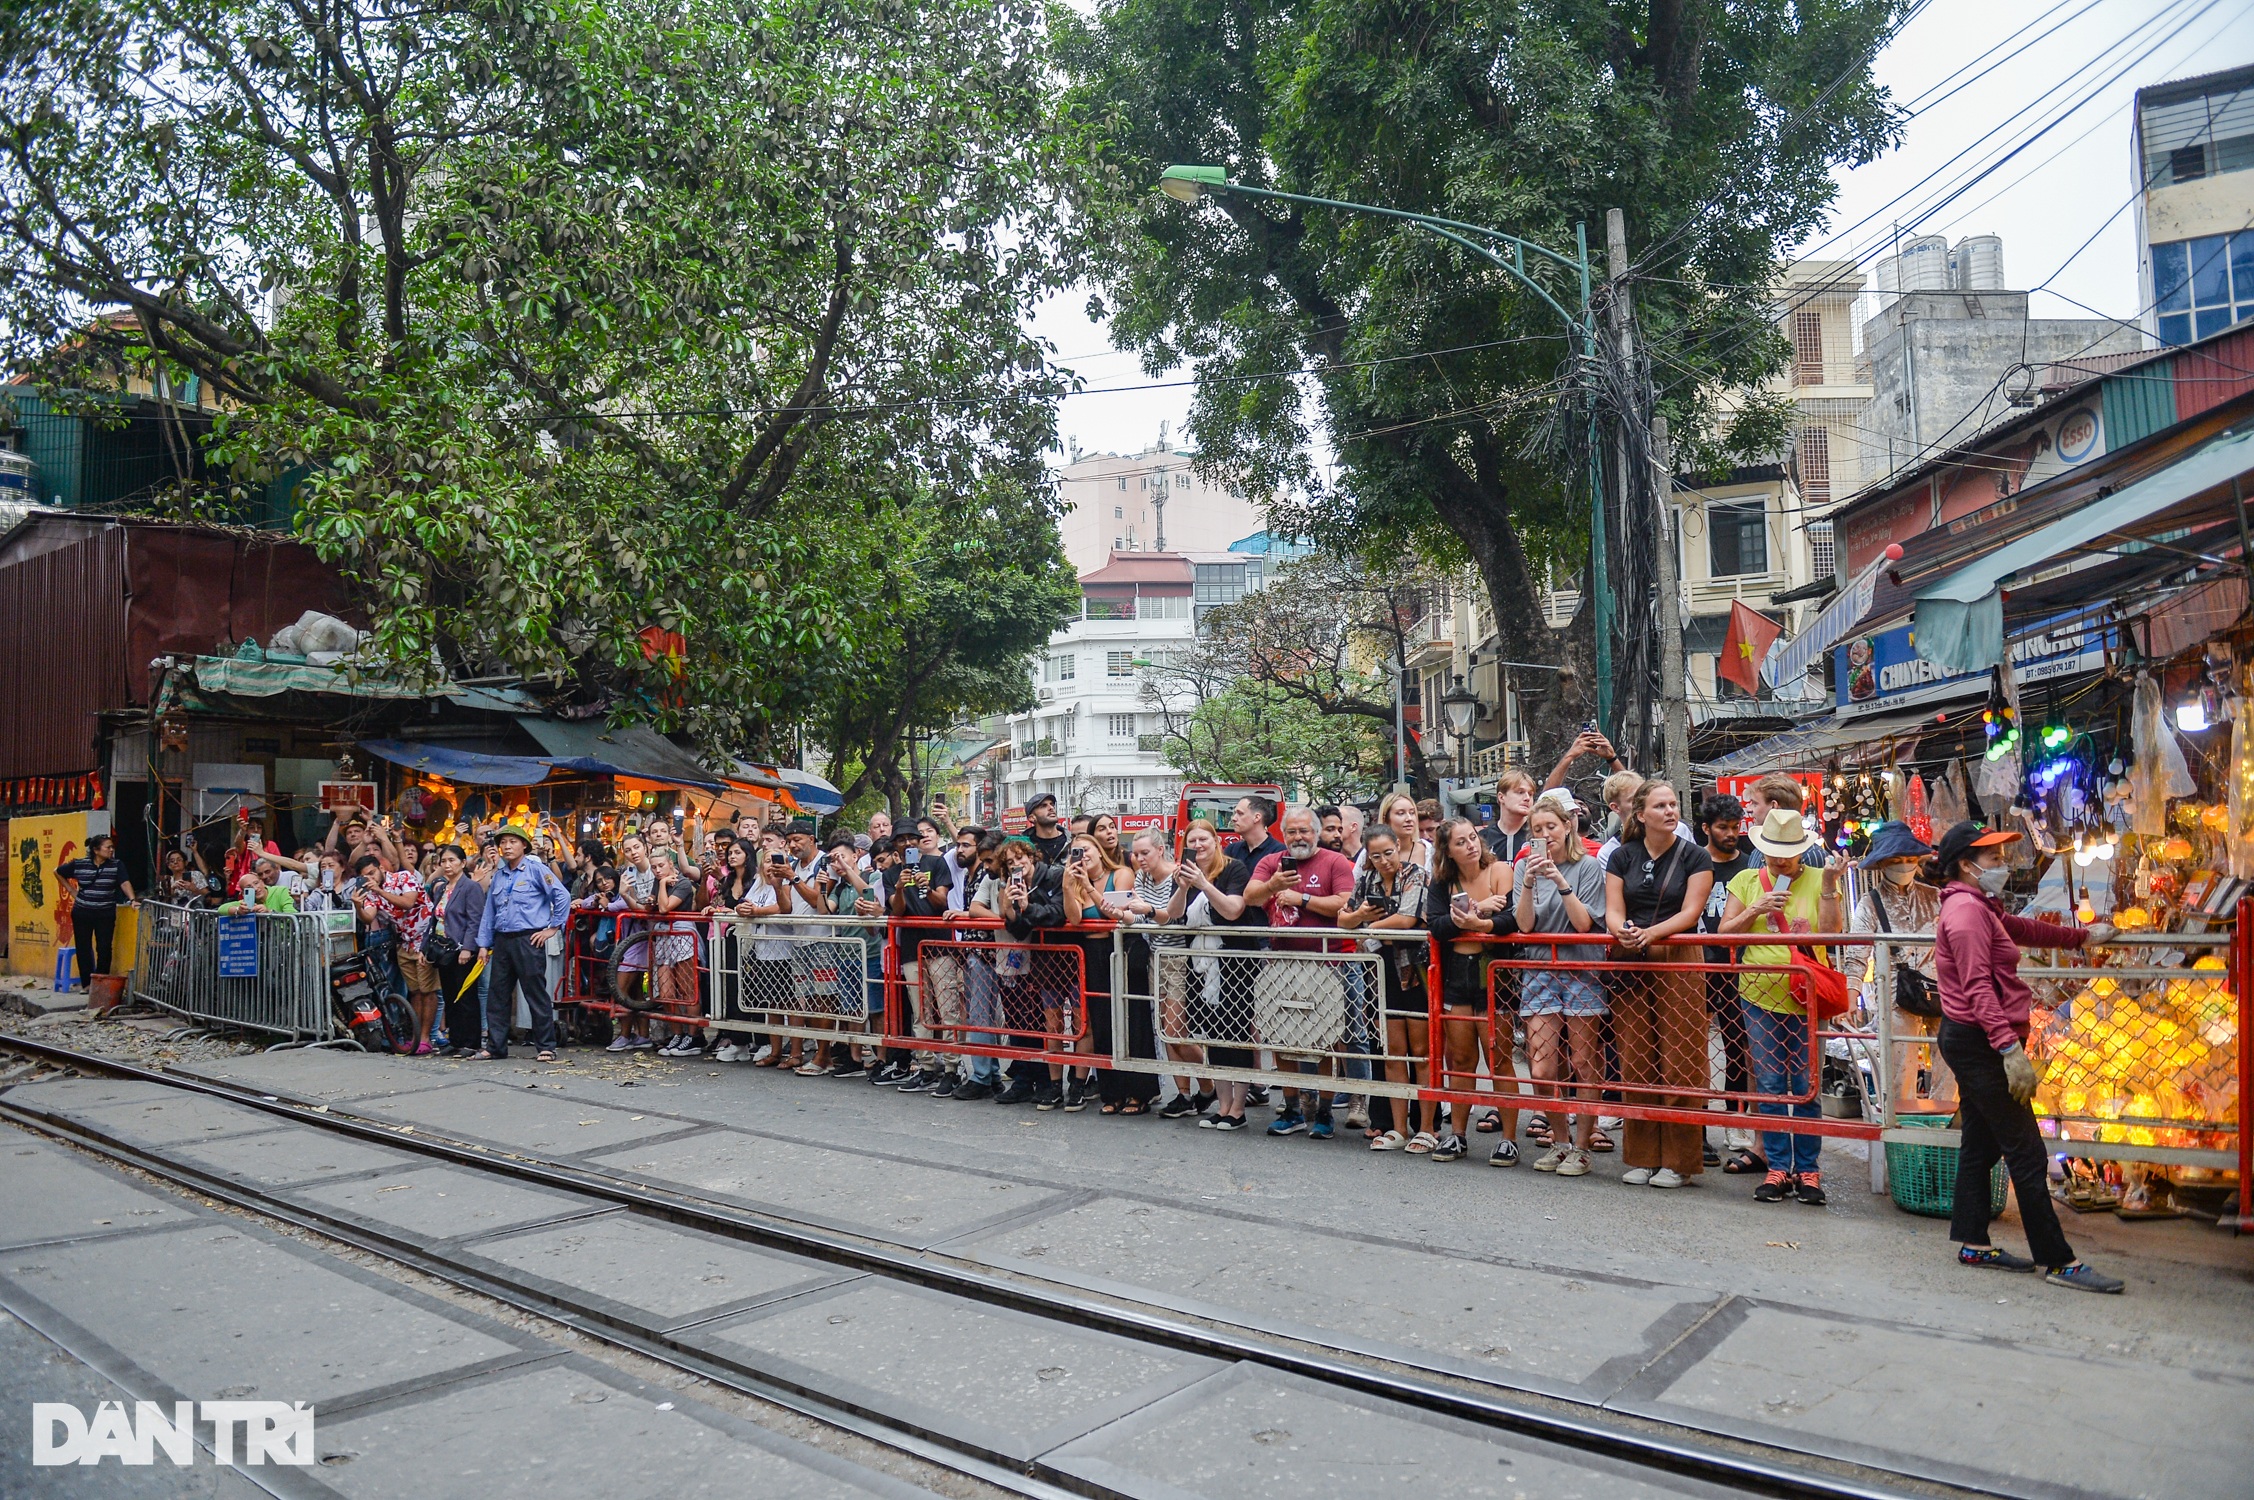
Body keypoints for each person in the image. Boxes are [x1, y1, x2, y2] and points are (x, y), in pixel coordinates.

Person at [1925, 821, 2122, 1293]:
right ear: (1966, 866)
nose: (2001, 865)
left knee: (1982, 1143)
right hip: (1981, 1042)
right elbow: (1977, 989)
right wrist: (2009, 1050)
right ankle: (2057, 1260)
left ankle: (1973, 1241)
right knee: (2027, 1151)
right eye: (1992, 859)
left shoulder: (1977, 906)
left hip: (1974, 1039)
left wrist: (2081, 939)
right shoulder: (1967, 915)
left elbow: (2022, 928)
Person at [1717, 808, 1842, 1204]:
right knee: (1770, 1085)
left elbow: (1830, 935)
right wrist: (1756, 908)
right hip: (1758, 993)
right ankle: (1776, 1166)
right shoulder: (1746, 880)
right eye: (1773, 852)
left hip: (1806, 996)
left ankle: (1808, 1170)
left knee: (1807, 1087)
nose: (1781, 860)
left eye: (1788, 852)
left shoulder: (1817, 879)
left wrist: (1828, 887)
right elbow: (1724, 934)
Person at [1603, 780, 1714, 1188]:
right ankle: (1643, 1155)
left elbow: (1691, 913)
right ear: (1641, 814)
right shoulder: (1621, 856)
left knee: (1681, 1057)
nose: (1670, 811)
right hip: (1632, 955)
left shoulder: (1695, 855)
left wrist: (1652, 934)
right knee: (1635, 1057)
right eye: (1661, 805)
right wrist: (1623, 932)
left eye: (1673, 804)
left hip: (1679, 956)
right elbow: (1613, 908)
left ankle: (1681, 1160)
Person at [1244, 805, 1356, 1138]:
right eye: (1291, 832)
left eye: (1304, 831)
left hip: (1327, 963)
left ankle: (1324, 1111)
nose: (1298, 837)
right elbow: (1250, 897)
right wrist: (1273, 885)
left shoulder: (1334, 862)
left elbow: (1345, 903)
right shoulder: (1272, 862)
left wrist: (1302, 898)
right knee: (1281, 1036)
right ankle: (1292, 1109)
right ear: (1282, 834)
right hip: (1282, 963)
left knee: (1328, 1039)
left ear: (1317, 832)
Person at [1512, 792, 1607, 1175]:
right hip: (1539, 970)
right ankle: (1560, 1140)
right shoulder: (1524, 869)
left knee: (1584, 1061)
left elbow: (1584, 924)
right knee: (1541, 1067)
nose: (1545, 834)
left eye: (1551, 826)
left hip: (1581, 968)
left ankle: (1582, 1146)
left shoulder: (1587, 866)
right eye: (1537, 829)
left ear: (1567, 827)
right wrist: (1533, 882)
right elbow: (1524, 925)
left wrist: (1560, 881)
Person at [1424, 818, 1514, 1162]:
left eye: (1473, 838)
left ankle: (1508, 1138)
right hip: (1457, 974)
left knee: (1499, 1059)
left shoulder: (1499, 870)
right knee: (1460, 1058)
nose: (1471, 845)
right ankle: (1457, 1134)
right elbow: (1438, 926)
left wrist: (1479, 923)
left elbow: (1511, 919)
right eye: (1461, 842)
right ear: (1448, 851)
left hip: (1494, 971)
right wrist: (1479, 909)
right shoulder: (1443, 882)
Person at [1850, 820, 1954, 1113]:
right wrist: (1850, 990)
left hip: (1942, 989)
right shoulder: (1870, 904)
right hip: (1895, 995)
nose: (1904, 865)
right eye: (1896, 860)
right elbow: (1857, 953)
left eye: (1909, 859)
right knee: (1900, 1070)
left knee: (1950, 1065)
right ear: (1883, 863)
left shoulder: (1935, 897)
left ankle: (1945, 1130)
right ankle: (1903, 1133)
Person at [1338, 826, 1428, 1150]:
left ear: (1398, 847)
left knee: (1420, 1054)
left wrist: (1368, 924)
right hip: (1379, 968)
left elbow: (1407, 919)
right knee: (1392, 1051)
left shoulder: (1415, 874)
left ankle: (1427, 1128)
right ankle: (1398, 1128)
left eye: (1388, 852)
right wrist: (1359, 916)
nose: (1384, 860)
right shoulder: (1365, 879)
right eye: (1376, 855)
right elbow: (1342, 919)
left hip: (1413, 970)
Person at [1166, 818, 1255, 1129]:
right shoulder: (1184, 875)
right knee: (1213, 1036)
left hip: (1233, 963)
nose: (1198, 846)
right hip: (1200, 964)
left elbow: (1233, 910)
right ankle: (1223, 1104)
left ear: (1216, 841)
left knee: (1236, 1035)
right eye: (1192, 842)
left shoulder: (1234, 869)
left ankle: (1238, 1109)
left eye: (1204, 839)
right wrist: (1182, 887)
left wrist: (1204, 884)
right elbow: (1174, 915)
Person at [1695, 794, 1763, 1174]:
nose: (1731, 834)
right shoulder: (1695, 864)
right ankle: (1700, 1123)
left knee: (1738, 1044)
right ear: (1706, 828)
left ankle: (1736, 1121)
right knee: (1697, 1048)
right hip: (1699, 967)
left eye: (1736, 827)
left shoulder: (1748, 868)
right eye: (1723, 827)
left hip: (1738, 969)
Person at [473, 826, 572, 1062]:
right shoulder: (498, 874)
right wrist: (483, 945)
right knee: (498, 995)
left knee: (535, 993)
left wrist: (552, 927)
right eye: (503, 842)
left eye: (512, 842)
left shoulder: (536, 869)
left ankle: (546, 1046)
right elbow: (489, 911)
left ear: (524, 845)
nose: (507, 846)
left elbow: (562, 896)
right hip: (503, 940)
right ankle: (495, 1046)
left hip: (529, 938)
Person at [997, 834, 1072, 1104]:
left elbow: (1058, 913)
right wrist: (1010, 910)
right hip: (1044, 963)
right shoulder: (1014, 885)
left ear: (1031, 856)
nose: (1017, 864)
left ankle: (1078, 1083)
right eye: (1010, 862)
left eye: (1020, 857)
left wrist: (1028, 907)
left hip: (1071, 955)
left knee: (1079, 1023)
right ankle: (1052, 1086)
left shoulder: (1053, 875)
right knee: (1051, 1025)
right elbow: (1018, 930)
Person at [1122, 830, 1187, 1115]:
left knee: (1174, 1030)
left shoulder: (1177, 875)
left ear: (1161, 850)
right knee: (1165, 1031)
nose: (1139, 859)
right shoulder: (1141, 877)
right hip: (1155, 956)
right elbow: (1136, 916)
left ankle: (1209, 1082)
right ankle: (1184, 1093)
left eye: (1145, 853)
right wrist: (1117, 912)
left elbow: (1172, 916)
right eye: (1136, 854)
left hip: (1180, 958)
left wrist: (1147, 910)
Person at [56, 834, 133, 984]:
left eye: (112, 847)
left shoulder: (116, 865)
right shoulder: (79, 864)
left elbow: (124, 882)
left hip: (105, 912)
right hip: (82, 911)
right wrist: (72, 891)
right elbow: (57, 871)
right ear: (96, 850)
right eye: (108, 847)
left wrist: (132, 899)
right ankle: (86, 983)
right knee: (83, 947)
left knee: (104, 948)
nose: (111, 850)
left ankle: (101, 981)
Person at [433, 844, 486, 1057]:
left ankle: (471, 1042)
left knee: (466, 996)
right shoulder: (442, 888)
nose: (447, 865)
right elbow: (434, 919)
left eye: (452, 860)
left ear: (463, 863)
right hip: (443, 949)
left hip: (461, 948)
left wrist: (468, 948)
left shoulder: (470, 887)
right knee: (450, 995)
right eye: (444, 861)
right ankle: (455, 1040)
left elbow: (475, 920)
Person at [1481, 769, 1538, 862]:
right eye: (1520, 792)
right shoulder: (1483, 838)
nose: (1527, 798)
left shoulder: (1537, 834)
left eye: (1531, 794)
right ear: (1501, 797)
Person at [1375, 790, 1433, 874]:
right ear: (1386, 819)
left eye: (1412, 813)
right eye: (1401, 813)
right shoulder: (1370, 851)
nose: (1409, 818)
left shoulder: (1429, 851)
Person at [1229, 794, 1286, 871]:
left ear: (1257, 817)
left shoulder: (1279, 852)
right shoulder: (1232, 850)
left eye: (1240, 813)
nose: (1234, 818)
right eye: (1234, 813)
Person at [217, 863, 296, 914]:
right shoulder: (248, 902)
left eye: (256, 883)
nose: (255, 888)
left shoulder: (280, 891)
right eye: (249, 888)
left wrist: (269, 912)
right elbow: (221, 909)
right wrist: (238, 910)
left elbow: (292, 914)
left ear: (262, 882)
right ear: (244, 894)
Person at [1022, 793, 1070, 864]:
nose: (1051, 808)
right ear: (1032, 818)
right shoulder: (1024, 846)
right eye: (1043, 806)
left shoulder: (1071, 842)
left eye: (1052, 804)